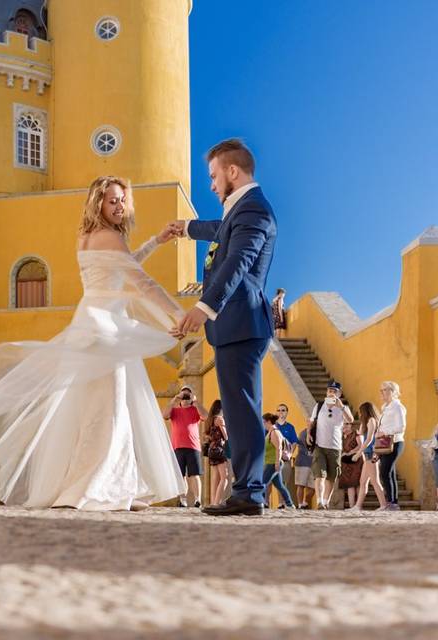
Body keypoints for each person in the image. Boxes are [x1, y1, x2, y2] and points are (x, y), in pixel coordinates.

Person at [0, 176, 187, 510]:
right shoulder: (111, 238)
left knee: (92, 409)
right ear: (98, 203)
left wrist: (156, 241)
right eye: (112, 200)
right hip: (105, 330)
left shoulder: (88, 237)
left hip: (91, 322)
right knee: (110, 410)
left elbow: (122, 268)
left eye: (122, 200)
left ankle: (104, 483)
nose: (119, 206)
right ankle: (98, 486)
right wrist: (179, 315)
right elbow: (141, 283)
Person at [168, 139, 277, 517]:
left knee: (243, 409)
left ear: (233, 172)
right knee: (237, 406)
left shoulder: (254, 211)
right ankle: (248, 490)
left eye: (214, 176)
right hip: (235, 326)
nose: (212, 185)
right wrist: (186, 228)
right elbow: (221, 230)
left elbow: (239, 261)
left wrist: (203, 308)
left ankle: (249, 493)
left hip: (240, 322)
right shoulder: (243, 211)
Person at [310, 381, 353, 509]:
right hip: (320, 445)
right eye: (330, 390)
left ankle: (326, 501)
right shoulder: (319, 406)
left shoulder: (343, 408)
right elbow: (312, 422)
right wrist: (308, 433)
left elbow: (350, 420)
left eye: (334, 391)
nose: (331, 393)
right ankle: (319, 501)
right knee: (320, 474)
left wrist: (341, 407)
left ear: (339, 394)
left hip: (335, 447)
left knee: (331, 477)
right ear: (326, 392)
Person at [164, 385, 207, 508]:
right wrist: (175, 399)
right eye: (184, 394)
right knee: (180, 475)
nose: (186, 396)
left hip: (193, 446)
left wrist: (196, 401)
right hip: (177, 446)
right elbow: (165, 415)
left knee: (194, 474)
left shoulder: (195, 410)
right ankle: (182, 500)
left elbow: (205, 416)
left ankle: (197, 500)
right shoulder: (175, 410)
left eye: (188, 394)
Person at [350, 402, 386, 511]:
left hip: (371, 453)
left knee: (375, 481)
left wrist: (358, 453)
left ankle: (383, 505)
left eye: (361, 412)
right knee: (363, 481)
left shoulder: (371, 420)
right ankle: (358, 506)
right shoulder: (368, 421)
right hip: (368, 454)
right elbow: (361, 433)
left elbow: (369, 439)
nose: (360, 414)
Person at [376, 381, 406, 511]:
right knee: (390, 473)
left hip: (395, 442)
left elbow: (401, 427)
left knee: (385, 472)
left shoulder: (397, 407)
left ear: (392, 392)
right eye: (381, 390)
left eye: (384, 390)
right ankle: (392, 502)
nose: (381, 392)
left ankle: (392, 503)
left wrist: (384, 432)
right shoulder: (385, 407)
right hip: (385, 443)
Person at [262, 413, 294, 508]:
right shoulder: (270, 432)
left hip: (273, 463)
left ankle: (260, 503)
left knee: (262, 483)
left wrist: (277, 462)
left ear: (268, 422)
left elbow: (279, 448)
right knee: (280, 486)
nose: (263, 424)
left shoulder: (274, 432)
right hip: (270, 462)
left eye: (264, 422)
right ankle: (290, 504)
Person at [203, 399, 230, 506]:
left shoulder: (209, 420)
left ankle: (213, 502)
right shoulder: (219, 419)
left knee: (215, 478)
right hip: (219, 449)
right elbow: (226, 436)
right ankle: (217, 503)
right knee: (225, 478)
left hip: (211, 450)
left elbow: (207, 435)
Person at [274, 403, 299, 501]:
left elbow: (294, 442)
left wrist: (289, 454)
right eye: (279, 410)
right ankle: (266, 503)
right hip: (273, 458)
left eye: (283, 410)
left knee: (283, 481)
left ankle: (281, 503)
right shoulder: (273, 426)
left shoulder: (290, 427)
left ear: (287, 413)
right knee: (269, 482)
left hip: (285, 459)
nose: (281, 412)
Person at [338, 418, 364, 508]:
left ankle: (358, 506)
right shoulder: (340, 436)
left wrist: (349, 452)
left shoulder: (356, 433)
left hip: (357, 461)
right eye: (344, 424)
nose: (345, 425)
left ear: (351, 425)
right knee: (349, 484)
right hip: (346, 463)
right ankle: (352, 506)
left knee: (357, 483)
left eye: (347, 424)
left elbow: (361, 446)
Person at [294, 418, 316, 509]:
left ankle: (305, 502)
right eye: (309, 421)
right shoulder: (303, 433)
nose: (311, 423)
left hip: (314, 464)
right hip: (303, 462)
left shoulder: (318, 433)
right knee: (301, 485)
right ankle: (300, 504)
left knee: (313, 488)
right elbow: (309, 444)